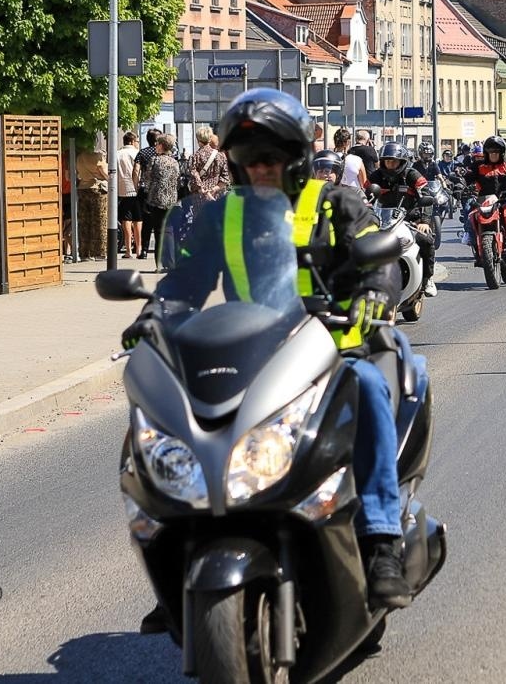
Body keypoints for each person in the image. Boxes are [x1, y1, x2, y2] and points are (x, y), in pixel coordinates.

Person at [128, 89, 417, 624]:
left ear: (297, 158)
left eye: (272, 158)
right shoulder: (221, 217)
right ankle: (182, 551)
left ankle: (381, 542)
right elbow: (188, 280)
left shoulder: (337, 202)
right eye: (249, 160)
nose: (261, 169)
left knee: (371, 386)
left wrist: (376, 291)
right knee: (174, 410)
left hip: (336, 340)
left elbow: (380, 255)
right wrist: (155, 314)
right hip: (257, 350)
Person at [368, 141, 438, 297]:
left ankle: (428, 278)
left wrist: (425, 222)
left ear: (402, 161)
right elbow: (365, 196)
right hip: (382, 219)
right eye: (387, 161)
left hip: (410, 219)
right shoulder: (376, 176)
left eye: (394, 161)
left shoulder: (412, 175)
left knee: (426, 240)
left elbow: (426, 195)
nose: (390, 164)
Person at [468, 135, 506, 263]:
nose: (493, 154)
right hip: (484, 200)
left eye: (496, 152)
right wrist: (459, 185)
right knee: (470, 218)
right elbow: (467, 176)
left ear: (501, 152)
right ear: (486, 153)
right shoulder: (478, 165)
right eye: (490, 152)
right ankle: (476, 250)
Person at [140, 133, 180, 269]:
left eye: (157, 144)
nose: (155, 146)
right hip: (171, 200)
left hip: (156, 200)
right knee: (169, 230)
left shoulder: (154, 160)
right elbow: (177, 180)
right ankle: (171, 262)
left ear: (161, 146)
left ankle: (159, 264)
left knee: (158, 231)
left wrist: (146, 194)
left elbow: (147, 180)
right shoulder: (174, 162)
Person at [115, 131, 143, 258]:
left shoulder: (117, 154)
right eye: (137, 141)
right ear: (132, 141)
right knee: (138, 219)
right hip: (136, 190)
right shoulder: (137, 153)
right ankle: (139, 249)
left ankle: (128, 250)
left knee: (126, 219)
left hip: (122, 190)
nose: (138, 143)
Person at [187, 125, 231, 203]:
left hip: (199, 198)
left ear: (198, 140)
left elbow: (194, 178)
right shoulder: (221, 156)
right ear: (210, 139)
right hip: (217, 196)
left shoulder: (194, 157)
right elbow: (226, 178)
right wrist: (213, 190)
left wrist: (204, 192)